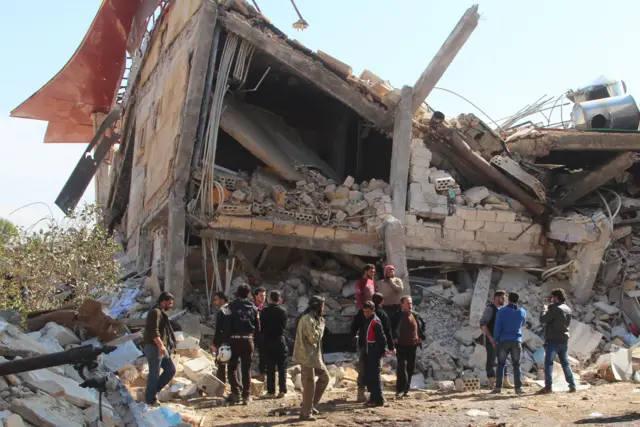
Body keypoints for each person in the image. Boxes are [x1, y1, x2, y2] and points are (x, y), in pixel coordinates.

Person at [350, 292, 395, 402]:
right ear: (382, 302)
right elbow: (387, 333)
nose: (366, 314)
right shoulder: (381, 314)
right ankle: (374, 395)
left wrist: (352, 339)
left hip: (370, 348)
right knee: (373, 372)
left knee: (368, 371)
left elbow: (354, 326)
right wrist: (390, 347)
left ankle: (370, 395)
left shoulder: (369, 316)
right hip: (369, 347)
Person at [293, 296, 330, 421]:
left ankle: (309, 405)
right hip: (306, 357)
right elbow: (313, 338)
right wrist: (322, 325)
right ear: (317, 307)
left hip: (314, 357)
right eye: (322, 306)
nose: (324, 309)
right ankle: (305, 413)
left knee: (325, 378)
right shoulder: (308, 320)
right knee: (309, 384)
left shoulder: (314, 319)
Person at [224, 284, 260, 405]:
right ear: (249, 294)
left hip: (234, 340)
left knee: (232, 367)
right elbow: (258, 326)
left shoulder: (231, 306)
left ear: (237, 293)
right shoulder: (254, 308)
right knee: (246, 368)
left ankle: (235, 392)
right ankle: (246, 396)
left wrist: (225, 340)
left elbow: (227, 324)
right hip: (248, 340)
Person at [538, 288, 576, 394]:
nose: (551, 299)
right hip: (563, 340)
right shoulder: (568, 309)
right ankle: (572, 385)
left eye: (552, 297)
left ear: (556, 298)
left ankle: (548, 387)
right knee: (565, 363)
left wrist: (544, 310)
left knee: (549, 363)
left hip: (553, 340)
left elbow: (543, 320)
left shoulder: (554, 309)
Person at [143, 292, 177, 405]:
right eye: (169, 303)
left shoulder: (159, 312)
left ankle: (151, 392)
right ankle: (150, 399)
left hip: (159, 346)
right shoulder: (155, 312)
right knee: (154, 373)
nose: (171, 305)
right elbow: (153, 331)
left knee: (170, 369)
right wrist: (161, 346)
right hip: (154, 347)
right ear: (163, 301)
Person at [391, 295, 426, 398]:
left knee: (410, 368)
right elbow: (390, 328)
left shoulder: (416, 315)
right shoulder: (396, 316)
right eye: (407, 303)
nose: (410, 305)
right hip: (401, 345)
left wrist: (421, 337)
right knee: (401, 367)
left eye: (411, 303)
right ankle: (400, 389)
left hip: (413, 345)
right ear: (402, 304)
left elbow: (422, 326)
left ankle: (406, 390)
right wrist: (394, 338)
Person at [492, 292, 526, 395]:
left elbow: (497, 327)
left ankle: (498, 387)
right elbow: (523, 323)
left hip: (503, 340)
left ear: (509, 299)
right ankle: (518, 388)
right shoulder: (522, 311)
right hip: (516, 340)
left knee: (501, 364)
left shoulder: (501, 311)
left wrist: (495, 340)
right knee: (517, 364)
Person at [479, 290, 513, 389]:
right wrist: (490, 338)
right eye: (502, 298)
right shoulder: (490, 309)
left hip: (502, 340)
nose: (504, 300)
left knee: (503, 360)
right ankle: (492, 382)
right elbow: (483, 324)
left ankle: (505, 381)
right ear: (496, 298)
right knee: (491, 361)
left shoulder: (501, 310)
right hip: (492, 340)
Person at [360, 301, 388, 407]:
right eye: (364, 311)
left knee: (375, 376)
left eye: (368, 311)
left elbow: (382, 338)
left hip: (374, 352)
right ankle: (373, 398)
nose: (366, 313)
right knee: (370, 376)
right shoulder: (368, 320)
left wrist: (383, 350)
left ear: (373, 310)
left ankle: (379, 399)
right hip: (368, 351)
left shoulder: (375, 322)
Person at [261, 290, 288, 398]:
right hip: (280, 340)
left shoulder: (264, 311)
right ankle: (282, 390)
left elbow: (261, 327)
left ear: (269, 299)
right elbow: (284, 326)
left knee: (270, 366)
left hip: (268, 340)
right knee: (282, 366)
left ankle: (271, 391)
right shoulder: (283, 311)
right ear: (279, 299)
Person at [211, 292, 230, 384]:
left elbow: (219, 329)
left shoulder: (221, 311)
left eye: (216, 300)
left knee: (221, 364)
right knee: (233, 365)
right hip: (233, 341)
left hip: (223, 342)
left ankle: (220, 385)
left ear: (222, 300)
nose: (214, 302)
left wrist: (215, 344)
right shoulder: (232, 309)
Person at [253, 287, 267, 379]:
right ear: (256, 296)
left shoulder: (264, 309)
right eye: (261, 295)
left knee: (263, 354)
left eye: (264, 296)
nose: (263, 298)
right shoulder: (251, 307)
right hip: (252, 335)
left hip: (262, 335)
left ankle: (262, 374)